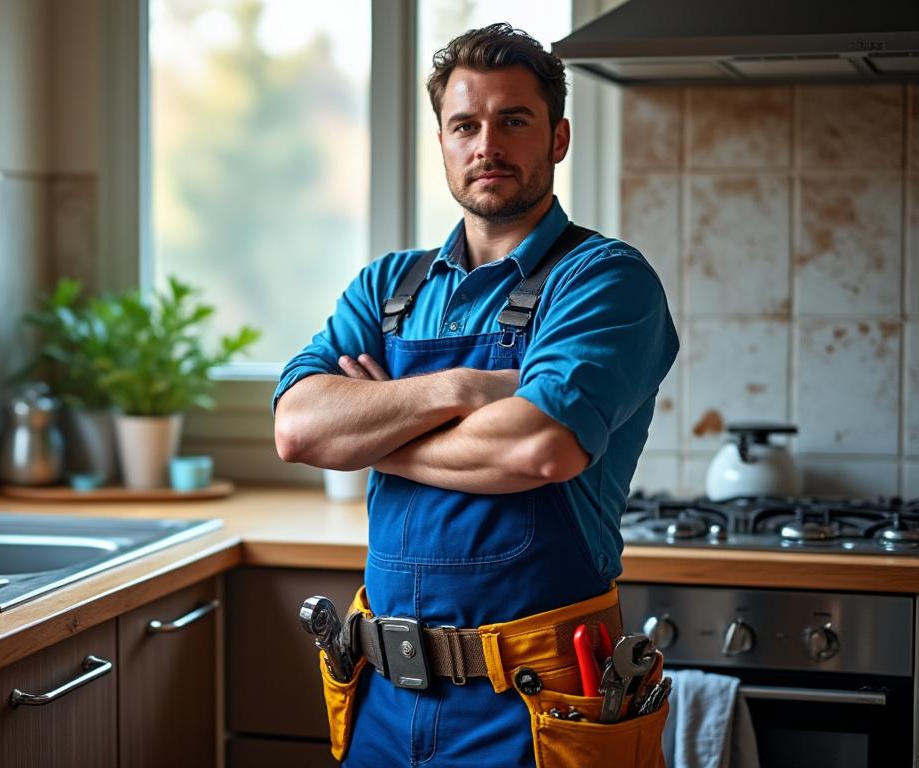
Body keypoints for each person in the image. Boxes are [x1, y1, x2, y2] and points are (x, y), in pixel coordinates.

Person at [272, 23, 679, 767]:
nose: (485, 144)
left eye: (513, 121)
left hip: (540, 706)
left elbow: (539, 446)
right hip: (380, 702)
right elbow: (299, 429)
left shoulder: (603, 280)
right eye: (465, 124)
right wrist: (466, 387)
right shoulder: (386, 288)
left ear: (557, 138)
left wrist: (379, 433)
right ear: (442, 143)